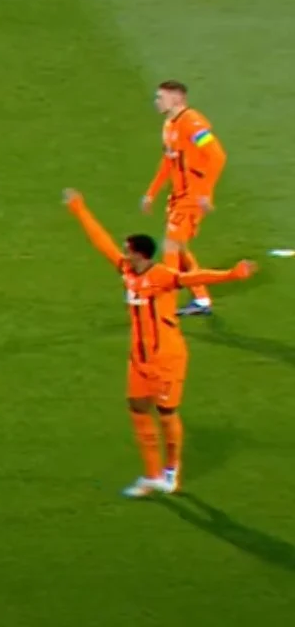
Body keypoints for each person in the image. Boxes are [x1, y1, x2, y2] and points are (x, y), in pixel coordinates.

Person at [63, 189, 254, 497]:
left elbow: (193, 278)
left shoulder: (162, 275)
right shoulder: (127, 272)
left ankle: (171, 471)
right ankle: (151, 475)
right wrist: (79, 209)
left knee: (166, 415)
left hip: (166, 357)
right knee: (138, 410)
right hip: (138, 358)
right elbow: (102, 243)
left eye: (128, 250)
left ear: (140, 254)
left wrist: (232, 275)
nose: (123, 254)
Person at [142, 80, 229, 316]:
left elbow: (217, 156)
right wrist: (151, 193)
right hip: (178, 196)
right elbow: (167, 162)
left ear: (177, 98)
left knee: (171, 245)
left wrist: (205, 193)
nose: (156, 102)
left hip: (192, 196)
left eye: (161, 97)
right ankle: (201, 300)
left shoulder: (192, 123)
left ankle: (166, 299)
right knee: (178, 247)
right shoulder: (168, 124)